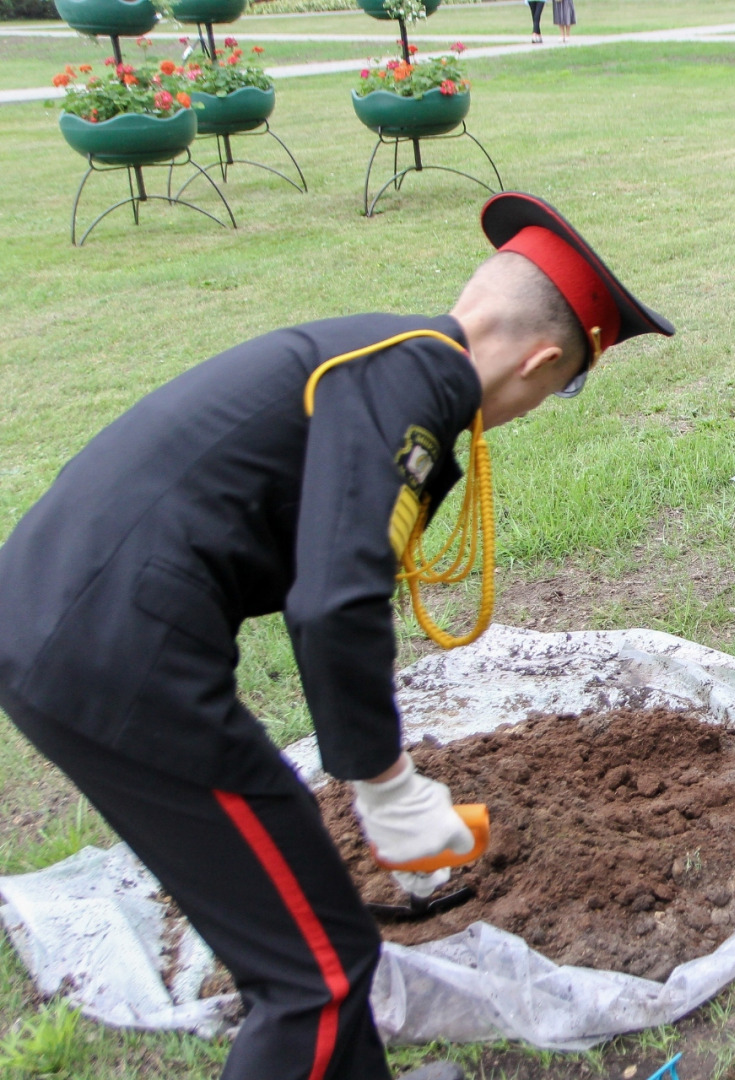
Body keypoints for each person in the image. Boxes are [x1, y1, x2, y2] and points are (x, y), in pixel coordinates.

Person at [0, 192, 673, 1080]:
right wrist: (388, 786)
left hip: (62, 618)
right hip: (115, 653)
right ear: (544, 360)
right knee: (315, 974)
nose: (548, 398)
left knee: (320, 938)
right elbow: (334, 601)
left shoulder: (382, 356)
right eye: (567, 382)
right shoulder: (418, 382)